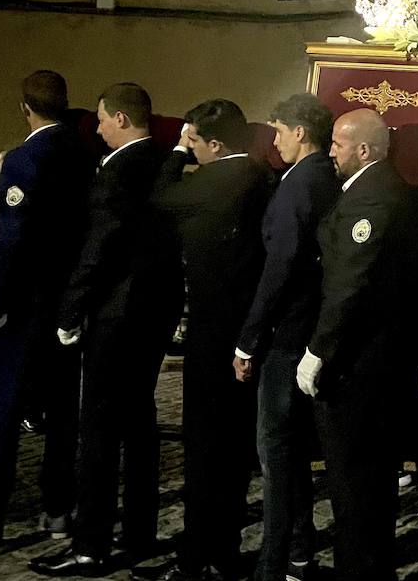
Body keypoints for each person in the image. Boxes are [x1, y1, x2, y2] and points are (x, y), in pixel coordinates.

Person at [0, 70, 92, 556]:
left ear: (25, 108)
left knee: (5, 410)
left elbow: (13, 235)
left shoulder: (27, 158)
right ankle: (58, 509)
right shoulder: (87, 153)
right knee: (63, 409)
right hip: (67, 302)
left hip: (24, 306)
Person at [32, 82, 182, 576]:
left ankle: (90, 544)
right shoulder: (163, 162)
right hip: (154, 311)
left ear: (120, 118)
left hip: (117, 313)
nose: (96, 128)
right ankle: (139, 532)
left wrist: (71, 308)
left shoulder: (118, 170)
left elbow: (100, 245)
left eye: (100, 118)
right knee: (139, 425)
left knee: (97, 430)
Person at [141, 99, 273, 581]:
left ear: (215, 144)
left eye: (194, 139)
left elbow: (160, 198)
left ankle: (196, 555)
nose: (188, 146)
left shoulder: (216, 180)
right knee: (235, 448)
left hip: (212, 330)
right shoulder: (261, 176)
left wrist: (176, 152)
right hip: (248, 327)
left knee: (202, 448)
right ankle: (224, 550)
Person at [299, 108, 418, 581]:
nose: (330, 150)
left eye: (337, 143)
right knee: (365, 478)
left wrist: (318, 351)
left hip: (357, 365)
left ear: (364, 150)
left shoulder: (373, 197)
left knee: (355, 479)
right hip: (373, 360)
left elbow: (349, 282)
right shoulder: (373, 190)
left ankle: (362, 570)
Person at [233, 94, 340, 581]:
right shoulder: (323, 178)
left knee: (276, 452)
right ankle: (297, 550)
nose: (274, 140)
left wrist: (249, 338)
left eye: (279, 130)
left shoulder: (300, 184)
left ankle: (274, 562)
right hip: (306, 328)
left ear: (301, 132)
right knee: (291, 451)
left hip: (287, 334)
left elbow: (279, 267)